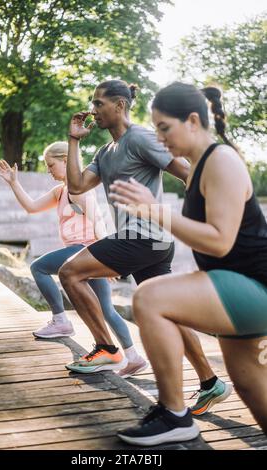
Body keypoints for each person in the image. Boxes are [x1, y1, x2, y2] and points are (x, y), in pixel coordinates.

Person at [58, 79, 231, 412]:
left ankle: (106, 347)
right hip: (146, 241)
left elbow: (186, 172)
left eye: (98, 103)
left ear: (120, 105)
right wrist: (73, 141)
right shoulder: (105, 151)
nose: (92, 110)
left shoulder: (139, 138)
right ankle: (211, 382)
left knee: (70, 273)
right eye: (92, 104)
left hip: (145, 235)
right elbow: (78, 185)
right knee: (167, 312)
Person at [109, 82, 267, 445]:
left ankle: (174, 414)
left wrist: (154, 211)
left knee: (150, 297)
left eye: (164, 128)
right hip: (236, 288)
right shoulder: (198, 168)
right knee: (251, 388)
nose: (159, 138)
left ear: (193, 120)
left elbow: (219, 239)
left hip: (255, 288)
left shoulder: (222, 161)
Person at [0, 141, 148, 377]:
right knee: (106, 310)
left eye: (50, 165)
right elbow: (32, 207)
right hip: (88, 253)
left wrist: (106, 262)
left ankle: (60, 321)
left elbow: (98, 222)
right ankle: (134, 358)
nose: (48, 170)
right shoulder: (61, 191)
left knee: (38, 267)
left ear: (66, 161)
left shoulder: (79, 191)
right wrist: (14, 183)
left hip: (87, 248)